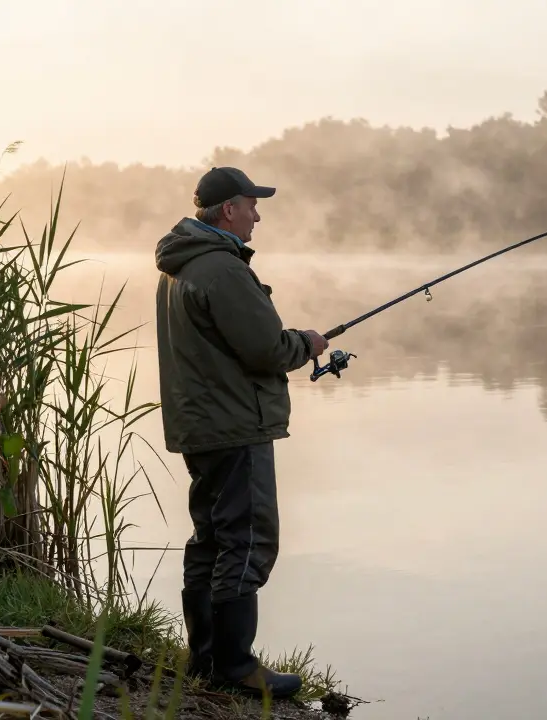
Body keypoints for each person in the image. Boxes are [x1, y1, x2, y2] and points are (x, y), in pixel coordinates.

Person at [154, 166, 328, 698]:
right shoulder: (223, 270)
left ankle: (206, 658)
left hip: (202, 424)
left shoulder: (179, 266)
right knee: (247, 541)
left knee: (211, 538)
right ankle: (234, 667)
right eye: (252, 204)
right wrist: (309, 342)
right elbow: (267, 350)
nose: (258, 214)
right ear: (228, 209)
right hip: (234, 425)